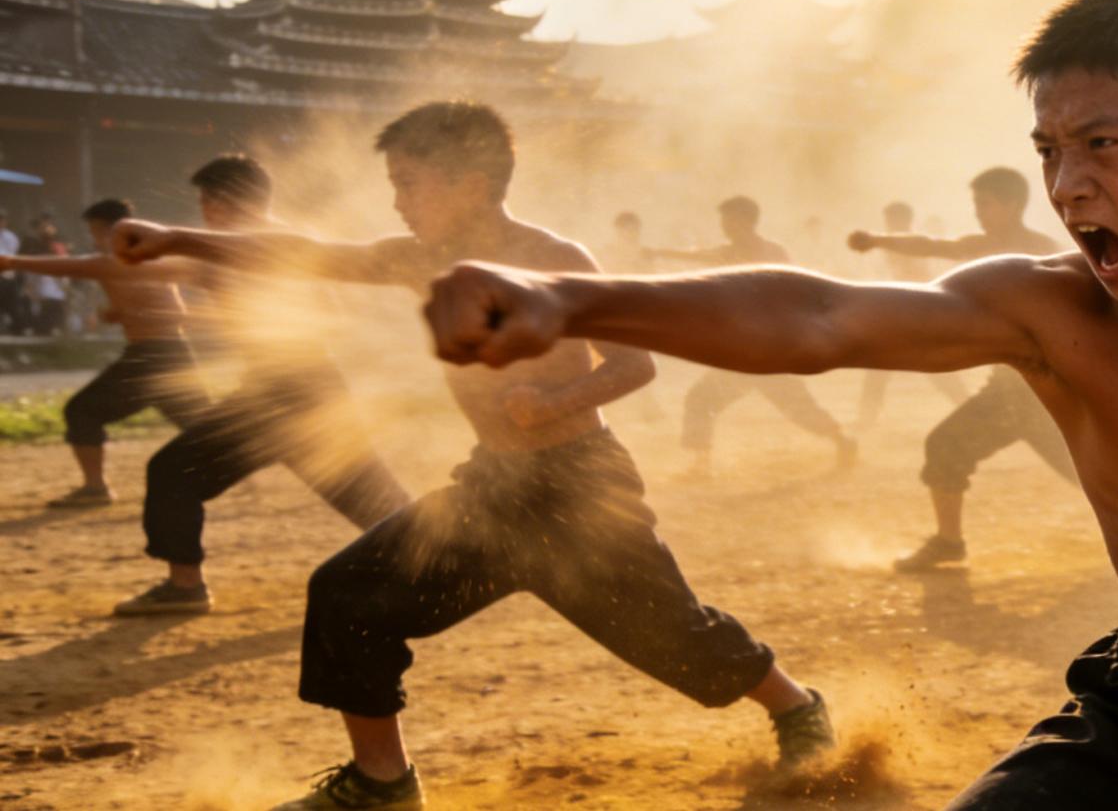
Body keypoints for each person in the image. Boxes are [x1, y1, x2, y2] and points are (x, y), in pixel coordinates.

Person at [423, 0, 1118, 808]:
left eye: (1103, 143)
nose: (1067, 183)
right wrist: (571, 300)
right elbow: (820, 316)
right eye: (1049, 150)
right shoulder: (1047, 314)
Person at [111, 102, 832, 811]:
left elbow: (634, 364)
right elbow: (307, 254)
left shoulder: (554, 260)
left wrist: (555, 402)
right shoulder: (418, 259)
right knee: (347, 594)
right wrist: (181, 238)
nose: (397, 201)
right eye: (393, 183)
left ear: (473, 185)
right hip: (491, 488)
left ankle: (797, 708)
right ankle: (382, 783)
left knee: (675, 639)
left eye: (410, 182)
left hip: (579, 489)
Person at [107, 154, 412, 618]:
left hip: (289, 390)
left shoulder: (279, 240)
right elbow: (114, 268)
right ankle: (440, 560)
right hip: (298, 389)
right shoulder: (223, 249)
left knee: (174, 472)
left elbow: (327, 305)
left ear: (228, 201)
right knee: (366, 492)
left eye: (210, 199)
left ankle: (184, 586)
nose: (205, 208)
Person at [846, 172, 1075, 572]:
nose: (979, 213)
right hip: (1007, 391)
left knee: (1095, 475)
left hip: (1050, 392)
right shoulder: (983, 247)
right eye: (977, 204)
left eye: (986, 204)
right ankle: (949, 542)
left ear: (1012, 206)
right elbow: (935, 245)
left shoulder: (1045, 253)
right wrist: (879, 241)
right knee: (946, 447)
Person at [0, 198, 212, 507]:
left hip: (151, 356)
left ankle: (95, 488)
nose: (94, 240)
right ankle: (274, 457)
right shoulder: (145, 257)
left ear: (110, 230)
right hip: (171, 353)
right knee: (205, 426)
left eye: (95, 232)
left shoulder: (121, 259)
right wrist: (119, 312)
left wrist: (12, 262)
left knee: (82, 411)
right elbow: (172, 308)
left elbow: (73, 266)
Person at [651, 196, 856, 476]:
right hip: (745, 351)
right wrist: (660, 252)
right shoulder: (729, 252)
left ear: (746, 221)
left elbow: (798, 291)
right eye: (723, 220)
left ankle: (842, 440)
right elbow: (700, 255)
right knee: (702, 399)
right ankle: (701, 465)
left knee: (798, 407)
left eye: (729, 220)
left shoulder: (773, 253)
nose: (724, 226)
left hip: (771, 350)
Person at [850, 200, 970, 432]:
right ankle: (866, 419)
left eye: (894, 220)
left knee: (939, 371)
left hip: (916, 314)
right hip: (900, 314)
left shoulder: (910, 245)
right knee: (878, 370)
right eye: (889, 220)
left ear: (905, 220)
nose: (890, 224)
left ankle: (973, 410)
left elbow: (921, 278)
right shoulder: (890, 245)